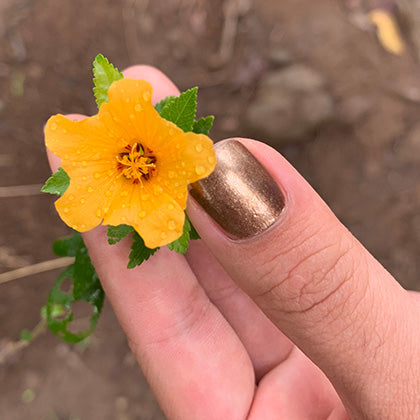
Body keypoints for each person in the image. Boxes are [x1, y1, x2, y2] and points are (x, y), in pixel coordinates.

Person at [46, 65, 420, 420]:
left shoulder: (160, 147)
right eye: (132, 163)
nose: (135, 163)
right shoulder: (119, 165)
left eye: (136, 159)